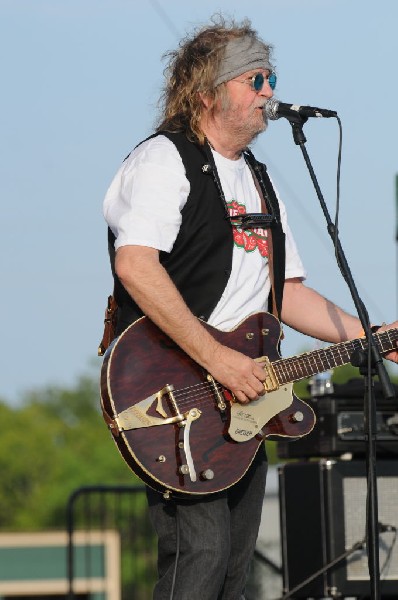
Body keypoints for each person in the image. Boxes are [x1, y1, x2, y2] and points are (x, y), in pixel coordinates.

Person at [102, 16, 398, 600]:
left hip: (246, 397)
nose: (270, 91)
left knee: (235, 571)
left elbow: (284, 294)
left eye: (271, 77)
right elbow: (135, 264)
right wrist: (219, 361)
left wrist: (372, 334)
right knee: (200, 558)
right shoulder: (165, 161)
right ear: (207, 90)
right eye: (254, 78)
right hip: (174, 393)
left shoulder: (260, 180)